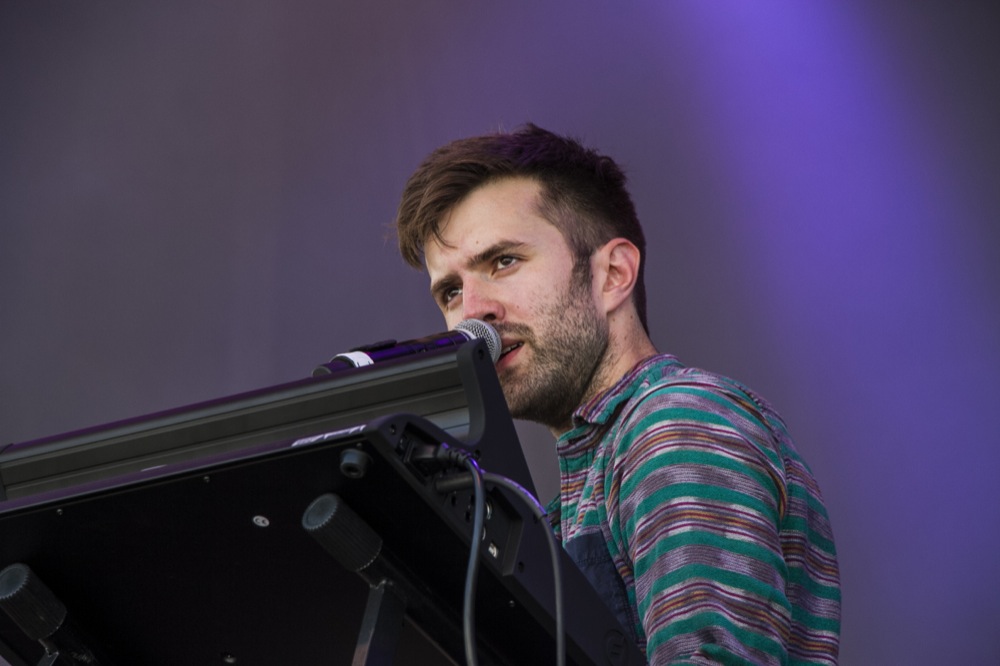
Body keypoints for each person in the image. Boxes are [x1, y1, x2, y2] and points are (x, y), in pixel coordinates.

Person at [393, 124, 841, 665]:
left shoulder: (674, 423)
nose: (472, 313)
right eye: (451, 291)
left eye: (503, 261)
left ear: (612, 274)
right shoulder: (564, 507)